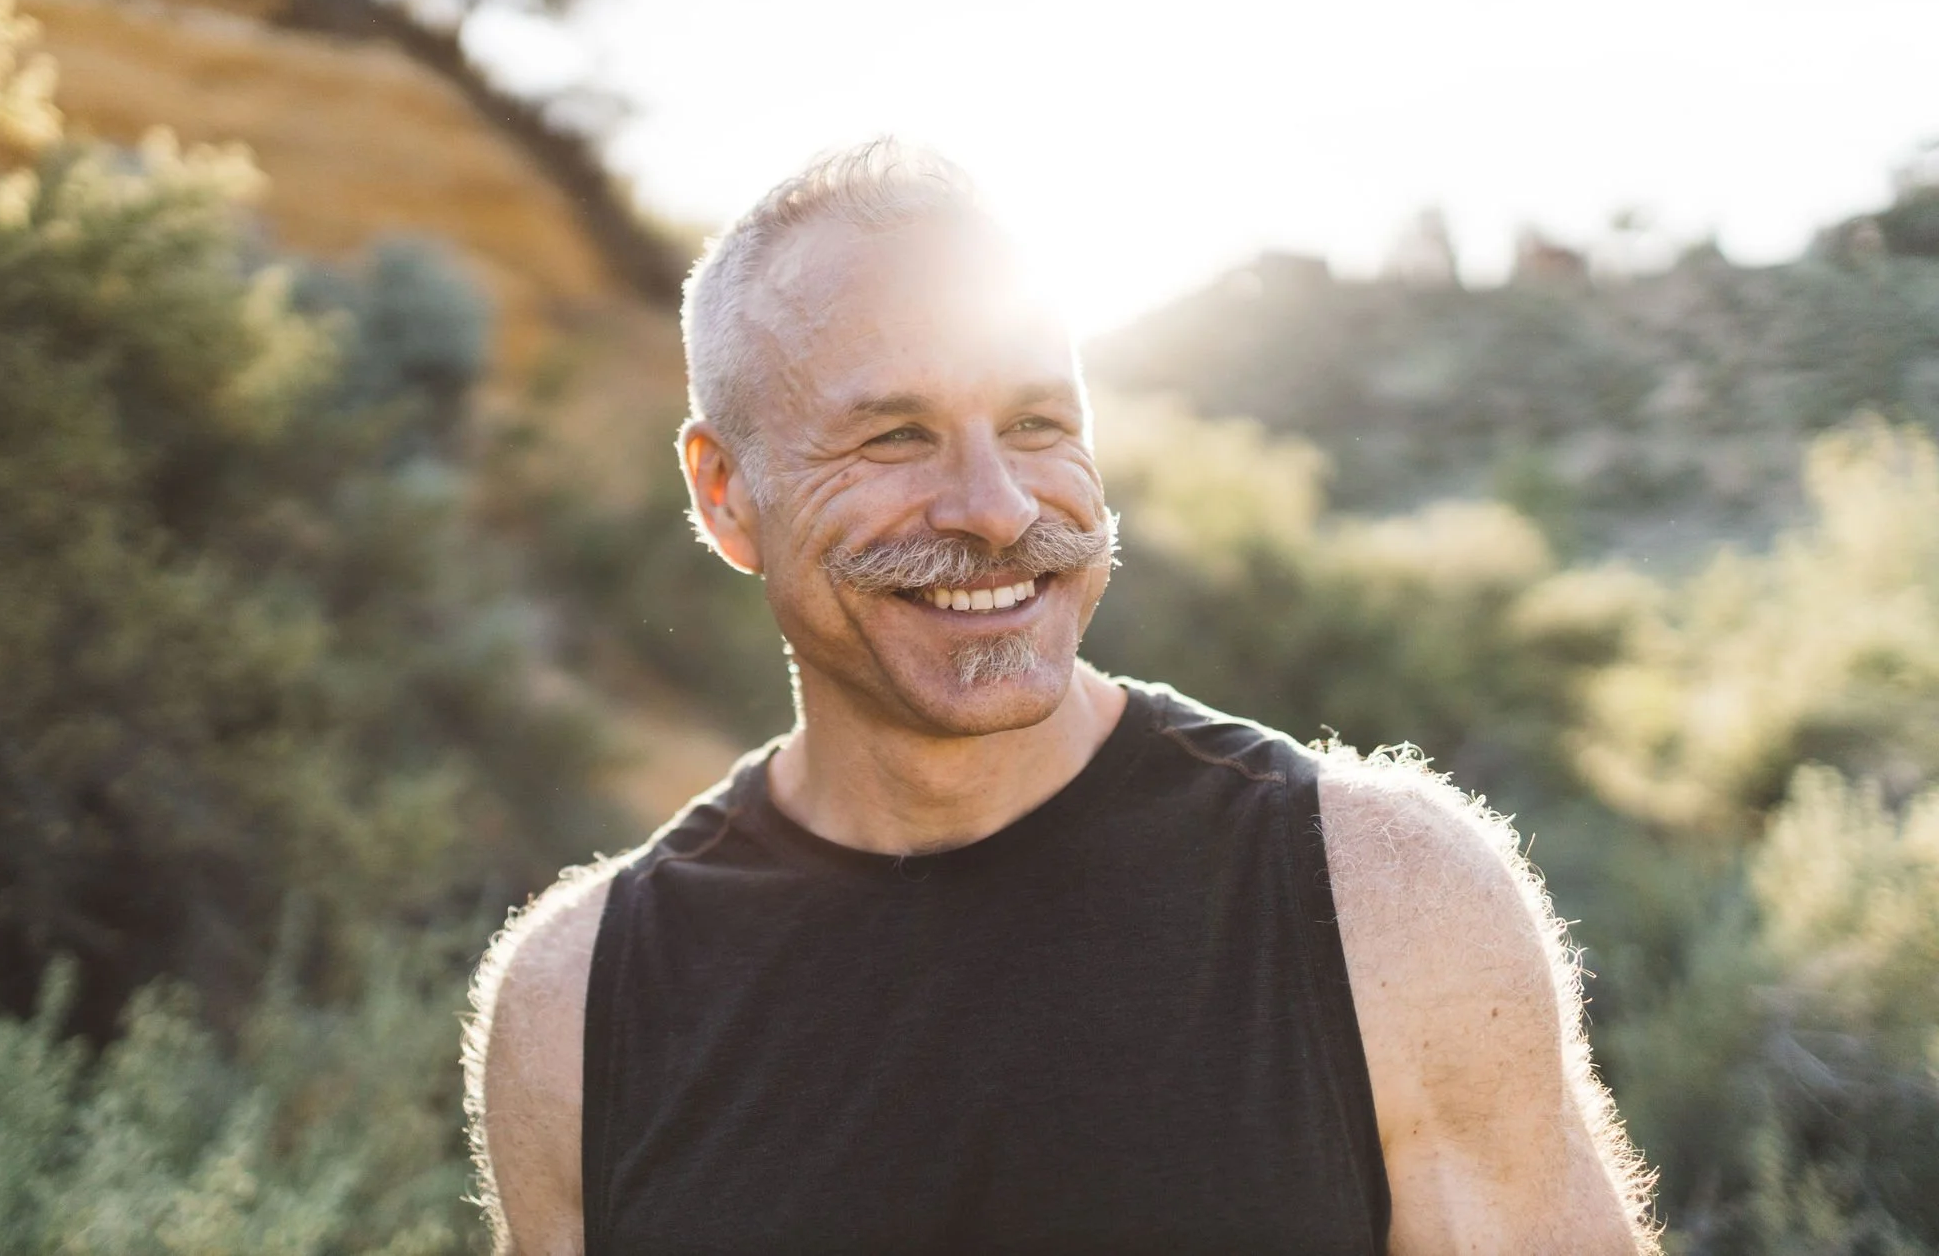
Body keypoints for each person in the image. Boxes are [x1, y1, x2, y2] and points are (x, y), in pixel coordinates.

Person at [463, 141, 1655, 1255]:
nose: (993, 507)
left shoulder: (1384, 901)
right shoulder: (573, 1009)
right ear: (725, 494)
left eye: (1037, 423)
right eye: (892, 436)